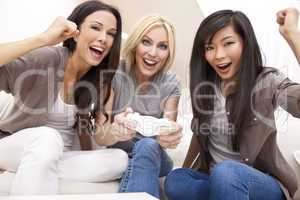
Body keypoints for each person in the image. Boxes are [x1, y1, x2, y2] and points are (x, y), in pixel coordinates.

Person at [164, 9, 300, 200]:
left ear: (246, 43)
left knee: (226, 173)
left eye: (228, 43)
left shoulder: (267, 81)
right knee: (175, 180)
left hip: (260, 183)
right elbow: (199, 133)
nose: (218, 55)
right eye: (210, 47)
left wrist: (292, 34)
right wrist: (185, 170)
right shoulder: (206, 87)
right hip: (214, 179)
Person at [0, 0, 132, 195]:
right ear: (75, 33)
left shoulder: (101, 83)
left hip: (61, 156)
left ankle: (30, 172)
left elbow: (100, 134)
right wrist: (44, 38)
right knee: (48, 138)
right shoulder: (45, 59)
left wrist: (117, 132)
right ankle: (32, 167)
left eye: (111, 33)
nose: (104, 38)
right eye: (96, 28)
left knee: (120, 158)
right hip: (16, 146)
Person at [110, 15, 182, 198]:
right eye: (146, 42)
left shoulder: (171, 82)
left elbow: (167, 127)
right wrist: (115, 129)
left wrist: (170, 135)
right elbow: (102, 131)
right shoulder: (114, 73)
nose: (153, 53)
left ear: (168, 52)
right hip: (118, 152)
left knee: (147, 144)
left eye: (162, 46)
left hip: (155, 154)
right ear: (135, 43)